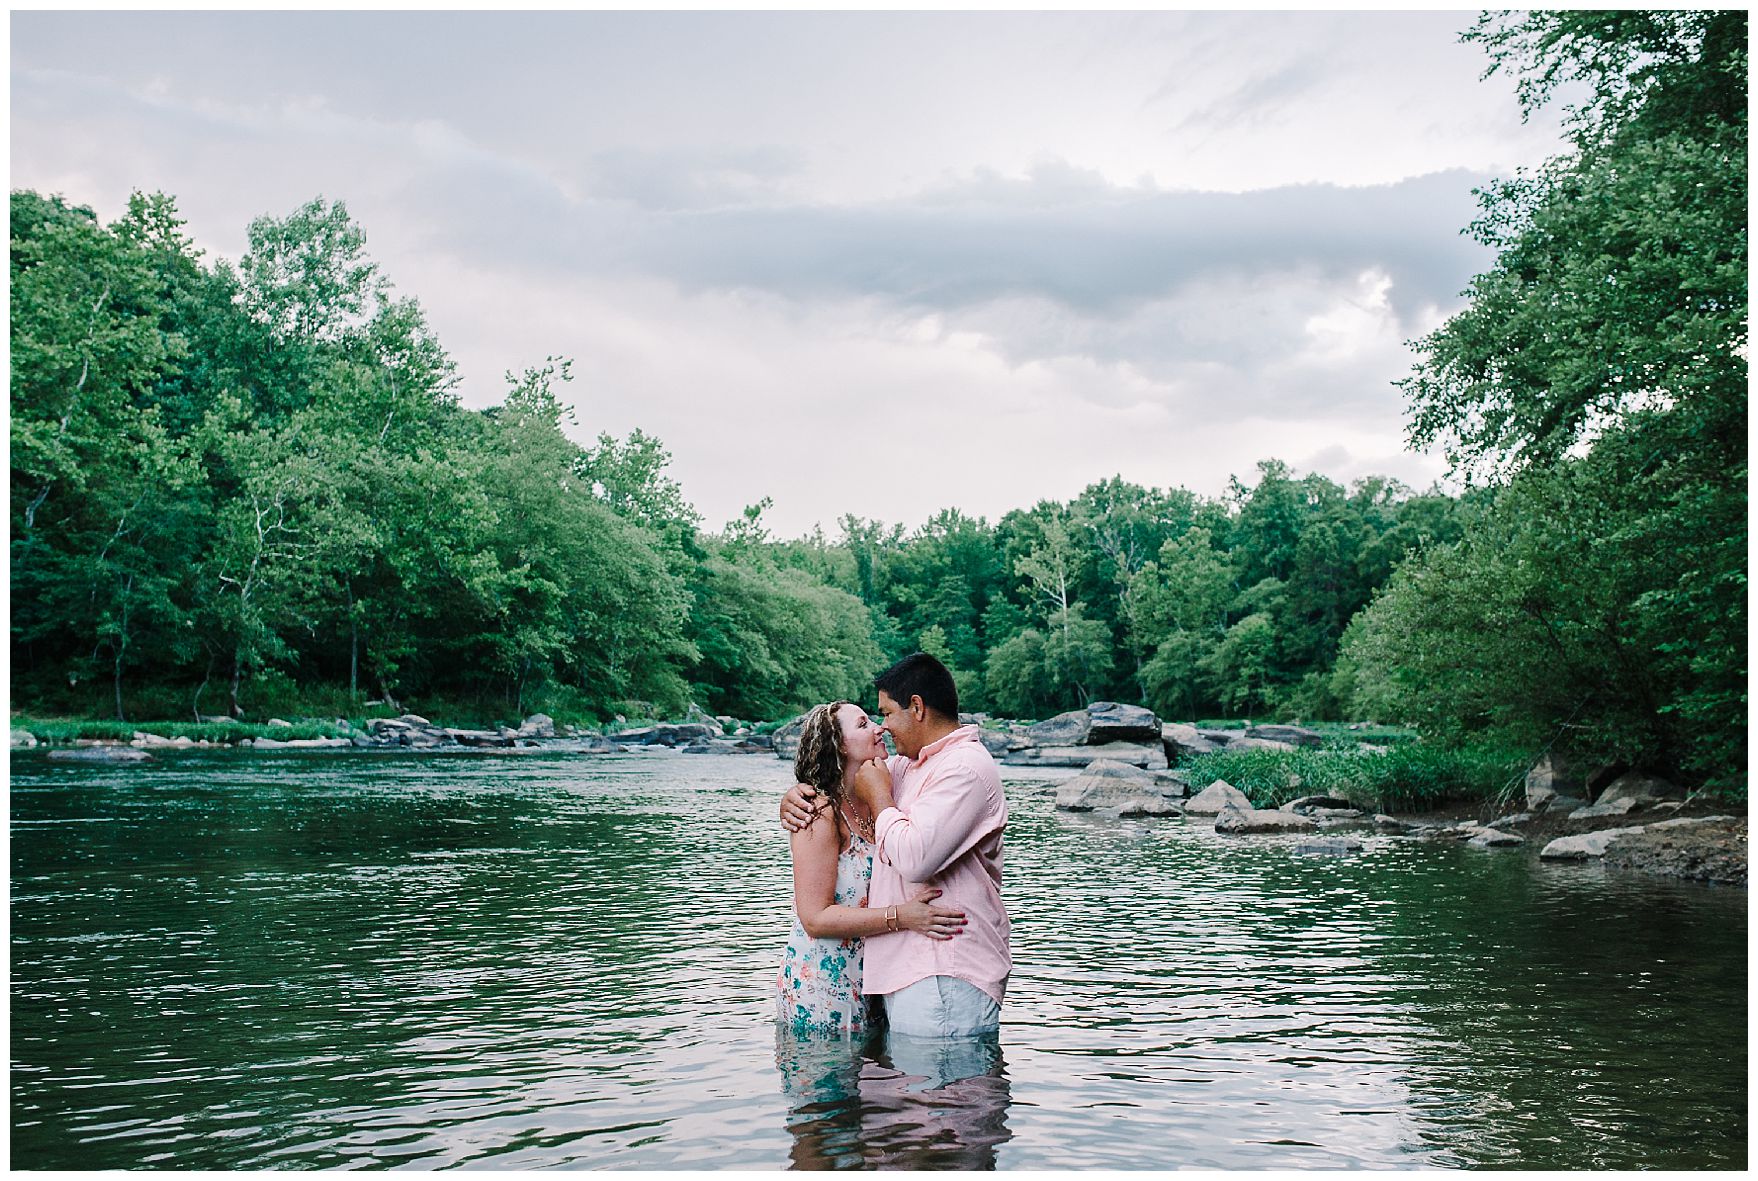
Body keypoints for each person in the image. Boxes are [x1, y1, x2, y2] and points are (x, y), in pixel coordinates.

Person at [782, 653, 1009, 1038]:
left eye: (885, 714)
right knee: (894, 1092)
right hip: (878, 977)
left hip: (943, 967)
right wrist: (793, 797)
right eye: (869, 721)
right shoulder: (909, 766)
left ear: (916, 708)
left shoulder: (962, 769)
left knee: (945, 1092)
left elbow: (913, 857)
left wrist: (879, 794)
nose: (881, 728)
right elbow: (842, 792)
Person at [776, 700, 967, 1036]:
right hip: (824, 984)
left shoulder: (886, 789)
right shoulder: (817, 812)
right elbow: (815, 918)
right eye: (863, 725)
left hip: (878, 978)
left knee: (877, 1084)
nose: (880, 728)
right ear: (837, 746)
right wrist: (902, 917)